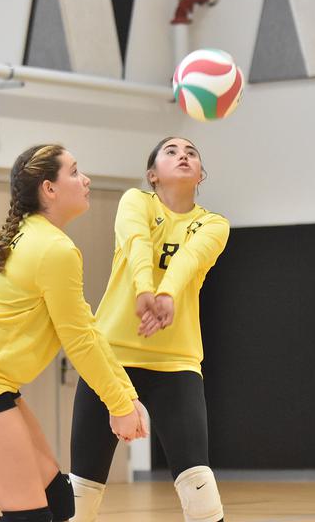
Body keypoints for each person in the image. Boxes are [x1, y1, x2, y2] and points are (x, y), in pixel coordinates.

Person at [0, 144, 149, 522]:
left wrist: (125, 398)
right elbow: (79, 340)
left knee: (59, 503)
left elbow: (88, 332)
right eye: (75, 172)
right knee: (29, 518)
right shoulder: (53, 249)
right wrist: (119, 405)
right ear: (49, 188)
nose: (86, 180)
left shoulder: (37, 238)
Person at [69, 136, 230, 522]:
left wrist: (168, 296)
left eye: (192, 153)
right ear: (152, 175)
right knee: (82, 490)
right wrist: (145, 289)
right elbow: (137, 242)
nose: (184, 156)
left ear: (201, 175)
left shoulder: (213, 224)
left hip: (175, 363)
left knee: (198, 486)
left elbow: (189, 260)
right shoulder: (135, 201)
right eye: (172, 151)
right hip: (109, 359)